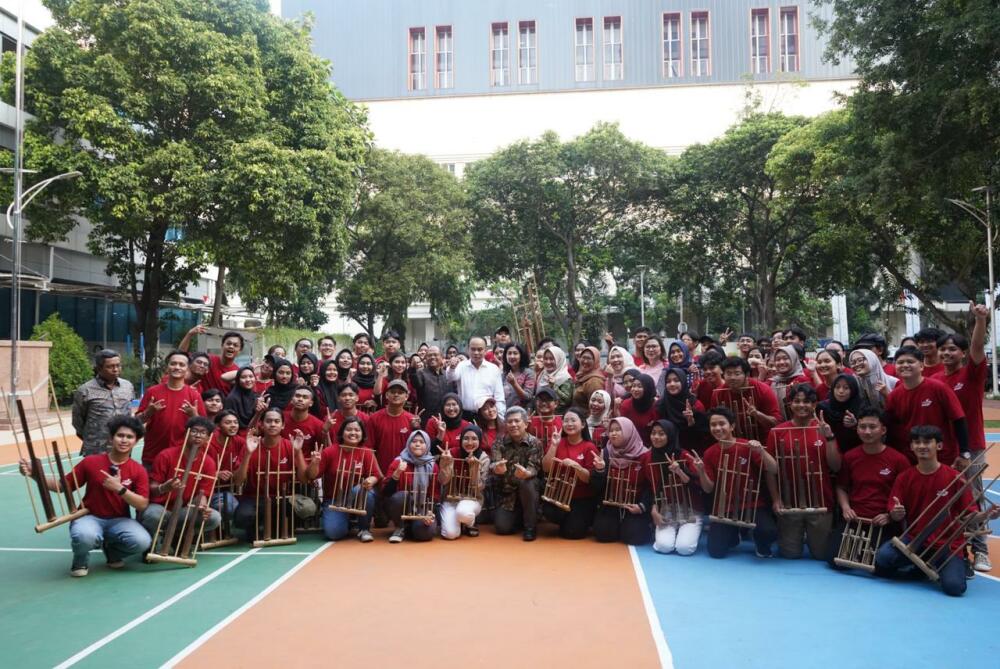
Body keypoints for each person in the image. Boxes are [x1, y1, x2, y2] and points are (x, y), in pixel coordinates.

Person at [19, 415, 151, 577]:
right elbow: (62, 487)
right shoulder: (91, 462)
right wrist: (34, 474)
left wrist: (120, 489)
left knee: (142, 542)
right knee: (84, 536)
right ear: (111, 438)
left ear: (136, 441)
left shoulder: (138, 470)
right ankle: (80, 561)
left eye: (130, 437)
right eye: (120, 435)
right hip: (89, 515)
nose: (124, 440)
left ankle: (112, 552)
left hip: (119, 520)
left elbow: (142, 504)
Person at [874, 425, 998, 597]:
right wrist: (896, 513)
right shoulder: (905, 477)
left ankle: (940, 565)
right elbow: (894, 512)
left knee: (955, 588)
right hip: (915, 540)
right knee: (882, 559)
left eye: (927, 442)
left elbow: (969, 516)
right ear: (911, 447)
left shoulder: (954, 477)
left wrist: (986, 515)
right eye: (916, 442)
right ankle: (922, 566)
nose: (921, 446)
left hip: (946, 544)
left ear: (938, 446)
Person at [939, 303, 991, 571]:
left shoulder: (971, 374)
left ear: (961, 353)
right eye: (943, 349)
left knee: (971, 497)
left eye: (952, 349)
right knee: (945, 499)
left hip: (970, 446)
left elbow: (978, 350)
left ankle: (981, 549)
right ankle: (953, 548)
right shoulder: (937, 379)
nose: (947, 353)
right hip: (944, 450)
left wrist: (980, 321)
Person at [826, 408, 910, 567]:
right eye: (862, 427)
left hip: (882, 522)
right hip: (855, 520)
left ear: (883, 430)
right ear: (857, 429)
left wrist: (890, 516)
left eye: (872, 427)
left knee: (880, 564)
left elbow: (906, 496)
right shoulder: (850, 456)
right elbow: (841, 487)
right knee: (834, 560)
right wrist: (845, 508)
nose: (867, 431)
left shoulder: (899, 460)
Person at [765, 384, 841, 560]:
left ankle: (813, 537)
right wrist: (776, 499)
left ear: (815, 405)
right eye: (797, 401)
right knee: (789, 555)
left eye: (807, 401)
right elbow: (770, 470)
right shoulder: (777, 432)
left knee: (821, 555)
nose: (802, 405)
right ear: (789, 404)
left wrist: (829, 438)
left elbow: (836, 467)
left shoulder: (823, 429)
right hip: (789, 502)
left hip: (821, 500)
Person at [694, 407, 779, 558]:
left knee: (769, 531)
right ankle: (734, 534)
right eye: (713, 425)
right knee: (716, 552)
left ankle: (761, 543)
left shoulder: (746, 446)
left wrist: (761, 451)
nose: (717, 428)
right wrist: (700, 471)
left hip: (753, 505)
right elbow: (708, 489)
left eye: (722, 424)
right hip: (725, 506)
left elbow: (773, 469)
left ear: (732, 426)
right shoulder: (709, 453)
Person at [883, 346, 968, 466]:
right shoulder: (894, 396)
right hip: (912, 458)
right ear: (895, 367)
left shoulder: (939, 388)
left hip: (942, 457)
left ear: (921, 366)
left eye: (910, 361)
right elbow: (890, 427)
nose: (905, 365)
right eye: (900, 362)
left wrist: (965, 453)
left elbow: (958, 419)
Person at [232, 408, 307, 538]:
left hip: (281, 497)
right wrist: (248, 454)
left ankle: (273, 525)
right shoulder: (251, 445)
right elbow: (238, 481)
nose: (272, 424)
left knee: (306, 509)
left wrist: (298, 452)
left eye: (277, 421)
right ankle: (259, 526)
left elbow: (304, 479)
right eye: (268, 421)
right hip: (254, 497)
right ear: (261, 424)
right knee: (242, 518)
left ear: (282, 425)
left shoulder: (289, 445)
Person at [141, 416, 221, 538]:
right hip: (162, 508)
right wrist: (164, 487)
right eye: (194, 431)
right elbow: (152, 487)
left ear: (208, 438)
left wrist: (202, 506)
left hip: (184, 511)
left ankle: (178, 535)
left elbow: (203, 493)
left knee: (214, 518)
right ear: (186, 433)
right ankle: (154, 540)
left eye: (203, 433)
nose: (198, 436)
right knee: (152, 515)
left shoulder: (209, 463)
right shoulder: (166, 455)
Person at [305, 416, 381, 542]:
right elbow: (312, 476)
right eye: (349, 429)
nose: (353, 433)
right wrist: (314, 463)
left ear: (362, 434)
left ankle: (364, 529)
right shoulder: (329, 451)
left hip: (356, 497)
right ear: (341, 433)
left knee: (362, 491)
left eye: (357, 430)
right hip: (334, 500)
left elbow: (376, 475)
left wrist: (370, 481)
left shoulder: (366, 452)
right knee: (333, 533)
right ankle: (347, 520)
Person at [136, 350, 206, 469]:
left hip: (181, 456)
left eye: (181, 364)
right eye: (173, 363)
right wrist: (149, 412)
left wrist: (194, 415)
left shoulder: (194, 395)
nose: (177, 367)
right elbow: (137, 422)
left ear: (187, 368)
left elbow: (204, 428)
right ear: (167, 367)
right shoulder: (152, 391)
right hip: (153, 455)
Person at [590, 417, 652, 545]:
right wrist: (599, 471)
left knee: (633, 537)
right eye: (611, 430)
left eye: (618, 430)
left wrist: (643, 506)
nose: (613, 433)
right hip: (611, 503)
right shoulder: (605, 453)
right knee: (603, 533)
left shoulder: (645, 455)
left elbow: (651, 485)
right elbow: (597, 487)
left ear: (629, 431)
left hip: (634, 505)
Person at [541, 408, 598, 539]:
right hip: (559, 495)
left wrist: (576, 466)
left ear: (583, 424)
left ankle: (579, 520)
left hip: (581, 498)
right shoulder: (557, 442)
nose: (569, 424)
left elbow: (589, 479)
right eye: (566, 421)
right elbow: (546, 468)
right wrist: (554, 445)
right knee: (549, 512)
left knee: (573, 533)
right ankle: (566, 519)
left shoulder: (589, 447)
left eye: (573, 420)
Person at [648, 420, 703, 555]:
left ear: (671, 436)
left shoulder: (684, 456)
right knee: (663, 547)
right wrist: (654, 510)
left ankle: (690, 530)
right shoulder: (647, 457)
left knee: (684, 549)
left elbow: (698, 486)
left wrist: (679, 472)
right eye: (653, 433)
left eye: (661, 434)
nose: (656, 437)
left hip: (690, 509)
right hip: (666, 508)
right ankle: (674, 530)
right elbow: (649, 488)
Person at [492, 406, 542, 541]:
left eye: (517, 421)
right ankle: (519, 516)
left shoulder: (535, 443)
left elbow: (534, 468)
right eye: (509, 422)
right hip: (508, 493)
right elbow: (494, 463)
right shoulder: (499, 442)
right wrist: (496, 468)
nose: (513, 425)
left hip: (527, 488)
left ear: (526, 424)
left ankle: (530, 527)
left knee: (528, 483)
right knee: (502, 528)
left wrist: (527, 473)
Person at [72, 349, 135, 456]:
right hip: (96, 450)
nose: (115, 369)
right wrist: (92, 439)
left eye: (118, 365)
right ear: (99, 368)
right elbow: (78, 421)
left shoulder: (128, 386)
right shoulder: (85, 390)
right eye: (110, 366)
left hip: (122, 448)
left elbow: (129, 413)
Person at [382, 430, 441, 543]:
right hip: (402, 509)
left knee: (424, 534)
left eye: (421, 442)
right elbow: (386, 492)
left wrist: (429, 513)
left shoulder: (432, 465)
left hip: (422, 509)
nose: (417, 444)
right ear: (408, 444)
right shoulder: (398, 462)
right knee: (399, 496)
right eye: (414, 441)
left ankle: (411, 528)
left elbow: (435, 494)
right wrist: (397, 474)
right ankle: (400, 527)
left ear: (427, 445)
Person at [710, 357, 782, 442]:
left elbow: (777, 423)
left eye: (737, 373)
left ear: (747, 375)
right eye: (728, 374)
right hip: (733, 443)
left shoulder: (763, 390)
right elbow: (713, 422)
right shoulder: (718, 393)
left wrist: (757, 414)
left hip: (762, 442)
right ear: (723, 375)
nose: (732, 377)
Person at [439, 424, 491, 539]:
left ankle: (469, 523)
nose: (470, 442)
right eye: (466, 438)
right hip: (451, 499)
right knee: (450, 534)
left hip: (472, 499)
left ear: (479, 440)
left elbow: (479, 487)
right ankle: (459, 524)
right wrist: (445, 465)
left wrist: (474, 469)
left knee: (463, 512)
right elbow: (443, 481)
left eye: (474, 439)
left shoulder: (484, 458)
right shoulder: (451, 453)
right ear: (461, 439)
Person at [366, 379, 420, 478]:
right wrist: (378, 474)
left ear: (406, 396)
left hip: (404, 476)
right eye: (393, 392)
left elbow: (418, 450)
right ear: (386, 395)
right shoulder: (374, 418)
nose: (396, 395)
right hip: (379, 475)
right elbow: (369, 449)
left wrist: (417, 429)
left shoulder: (412, 420)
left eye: (400, 392)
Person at [445, 336, 506, 420]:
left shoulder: (493, 369)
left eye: (480, 349)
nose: (476, 352)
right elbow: (451, 377)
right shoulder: (461, 366)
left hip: (487, 416)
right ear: (468, 349)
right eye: (473, 349)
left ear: (485, 350)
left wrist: (500, 418)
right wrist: (452, 367)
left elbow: (499, 397)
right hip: (465, 415)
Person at [657, 368, 710, 453]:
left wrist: (691, 423)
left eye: (676, 380)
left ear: (683, 382)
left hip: (692, 453)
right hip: (668, 452)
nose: (672, 384)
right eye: (668, 381)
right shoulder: (661, 405)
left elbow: (704, 437)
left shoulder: (696, 405)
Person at [178, 326, 244, 395]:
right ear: (222, 345)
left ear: (240, 350)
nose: (231, 346)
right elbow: (181, 355)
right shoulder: (206, 361)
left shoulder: (237, 373)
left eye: (235, 345)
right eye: (228, 343)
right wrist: (190, 334)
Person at [208, 410, 244, 518]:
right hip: (209, 490)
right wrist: (215, 473)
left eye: (235, 422)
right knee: (227, 506)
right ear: (218, 425)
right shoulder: (208, 442)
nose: (233, 425)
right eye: (228, 423)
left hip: (231, 490)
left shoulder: (239, 442)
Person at [817, 373, 863, 452]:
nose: (841, 391)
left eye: (846, 388)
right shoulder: (823, 407)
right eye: (837, 387)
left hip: (855, 450)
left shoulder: (861, 407)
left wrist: (855, 425)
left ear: (853, 390)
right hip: (829, 450)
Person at [412, 345, 456, 423]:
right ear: (425, 358)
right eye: (429, 355)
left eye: (435, 355)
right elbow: (416, 384)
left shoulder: (447, 375)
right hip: (426, 419)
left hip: (446, 418)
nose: (432, 357)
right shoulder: (420, 373)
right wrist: (412, 369)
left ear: (442, 357)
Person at [282, 387, 329, 457]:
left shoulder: (318, 425)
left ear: (311, 403)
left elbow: (323, 450)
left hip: (305, 464)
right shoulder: (279, 418)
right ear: (291, 400)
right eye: (297, 396)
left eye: (305, 397)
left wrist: (325, 432)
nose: (300, 399)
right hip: (280, 463)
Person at [769, 345, 813, 419]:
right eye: (778, 359)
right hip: (778, 425)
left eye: (785, 358)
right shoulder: (772, 381)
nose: (781, 362)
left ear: (794, 359)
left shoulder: (802, 380)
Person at [618, 373, 659, 446]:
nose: (635, 389)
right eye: (634, 386)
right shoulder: (626, 405)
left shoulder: (657, 405)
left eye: (640, 386)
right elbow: (624, 430)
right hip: (631, 445)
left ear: (648, 388)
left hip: (653, 445)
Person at [534, 345, 573, 414]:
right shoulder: (542, 374)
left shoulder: (565, 378)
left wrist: (554, 386)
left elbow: (567, 401)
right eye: (545, 359)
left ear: (559, 360)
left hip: (558, 417)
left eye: (552, 359)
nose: (548, 362)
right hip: (541, 417)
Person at [224, 367, 263, 431]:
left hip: (253, 433)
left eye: (251, 376)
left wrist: (260, 411)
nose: (248, 380)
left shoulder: (257, 397)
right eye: (243, 377)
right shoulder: (232, 399)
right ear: (238, 380)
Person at [502, 343, 536, 409]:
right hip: (507, 413)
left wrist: (514, 384)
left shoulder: (529, 373)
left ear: (521, 355)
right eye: (509, 353)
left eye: (515, 353)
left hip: (522, 413)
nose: (512, 356)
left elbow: (528, 397)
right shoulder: (504, 374)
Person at [571, 345, 605, 411]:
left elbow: (595, 408)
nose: (585, 361)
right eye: (583, 357)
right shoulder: (582, 375)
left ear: (595, 361)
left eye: (589, 358)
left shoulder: (594, 381)